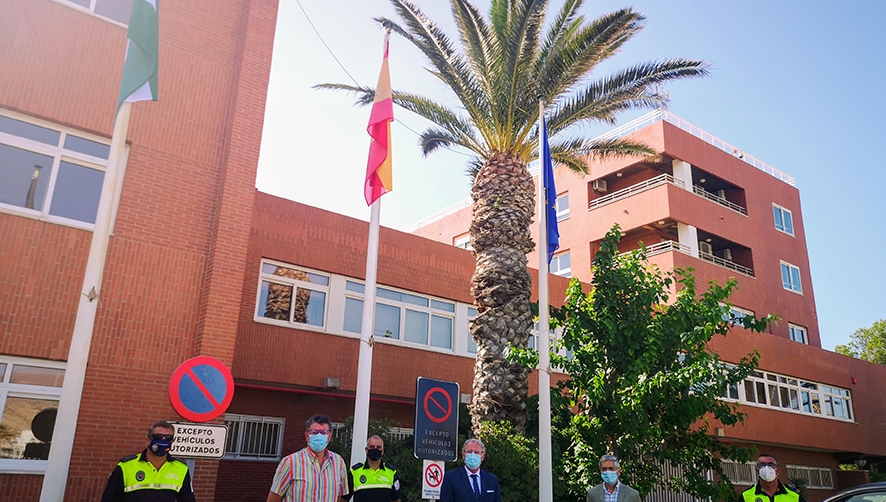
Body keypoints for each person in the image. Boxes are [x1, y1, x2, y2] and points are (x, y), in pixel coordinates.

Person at [100, 420, 196, 502]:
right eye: (158, 437)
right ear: (148, 440)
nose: (163, 441)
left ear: (172, 441)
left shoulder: (181, 469)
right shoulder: (125, 466)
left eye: (168, 438)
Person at [267, 414, 349, 502]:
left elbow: (340, 497)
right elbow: (274, 498)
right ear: (307, 436)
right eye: (315, 432)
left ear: (329, 436)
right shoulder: (290, 462)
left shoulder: (339, 463)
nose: (319, 436)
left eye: (323, 432)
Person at [348, 435, 401, 502]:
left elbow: (396, 499)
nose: (375, 449)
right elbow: (344, 499)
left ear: (382, 451)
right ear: (366, 450)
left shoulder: (392, 472)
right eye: (372, 447)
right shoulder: (354, 472)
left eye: (378, 447)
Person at [742, 453, 806, 502]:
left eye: (770, 465)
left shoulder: (794, 495)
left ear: (777, 471)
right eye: (762, 465)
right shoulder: (746, 496)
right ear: (757, 471)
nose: (766, 468)